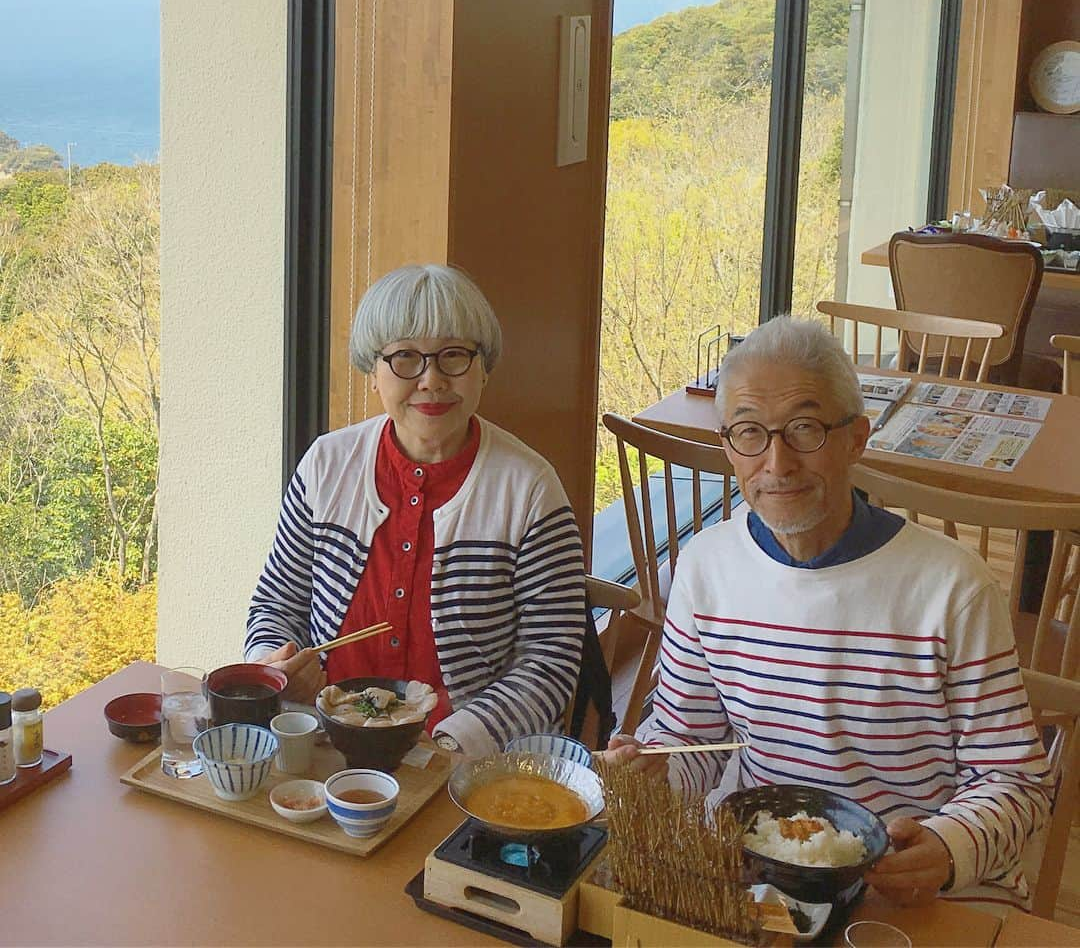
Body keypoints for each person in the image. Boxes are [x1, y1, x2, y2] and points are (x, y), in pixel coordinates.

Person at [607, 315, 1051, 910]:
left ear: (856, 438)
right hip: (765, 875)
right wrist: (657, 771)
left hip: (915, 889)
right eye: (749, 433)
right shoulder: (706, 567)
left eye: (805, 429)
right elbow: (692, 742)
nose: (777, 462)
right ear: (727, 446)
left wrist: (946, 849)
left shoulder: (952, 587)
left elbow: (1017, 782)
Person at [246, 264, 593, 756]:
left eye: (454, 356)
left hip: (462, 762)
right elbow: (276, 605)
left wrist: (455, 744)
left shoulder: (530, 489)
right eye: (405, 357)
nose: (431, 380)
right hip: (324, 747)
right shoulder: (326, 465)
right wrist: (274, 668)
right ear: (373, 372)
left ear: (484, 369)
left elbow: (551, 659)